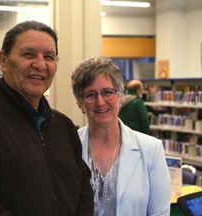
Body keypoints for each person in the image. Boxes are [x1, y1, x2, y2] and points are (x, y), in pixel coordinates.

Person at [0, 20, 94, 216]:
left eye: (49, 57)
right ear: (3, 61)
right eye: (28, 54)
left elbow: (83, 190)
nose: (40, 64)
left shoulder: (64, 126)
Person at [71, 56, 171, 216]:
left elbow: (159, 213)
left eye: (107, 92)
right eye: (90, 95)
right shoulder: (68, 146)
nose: (100, 102)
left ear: (120, 96)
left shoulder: (151, 150)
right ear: (80, 102)